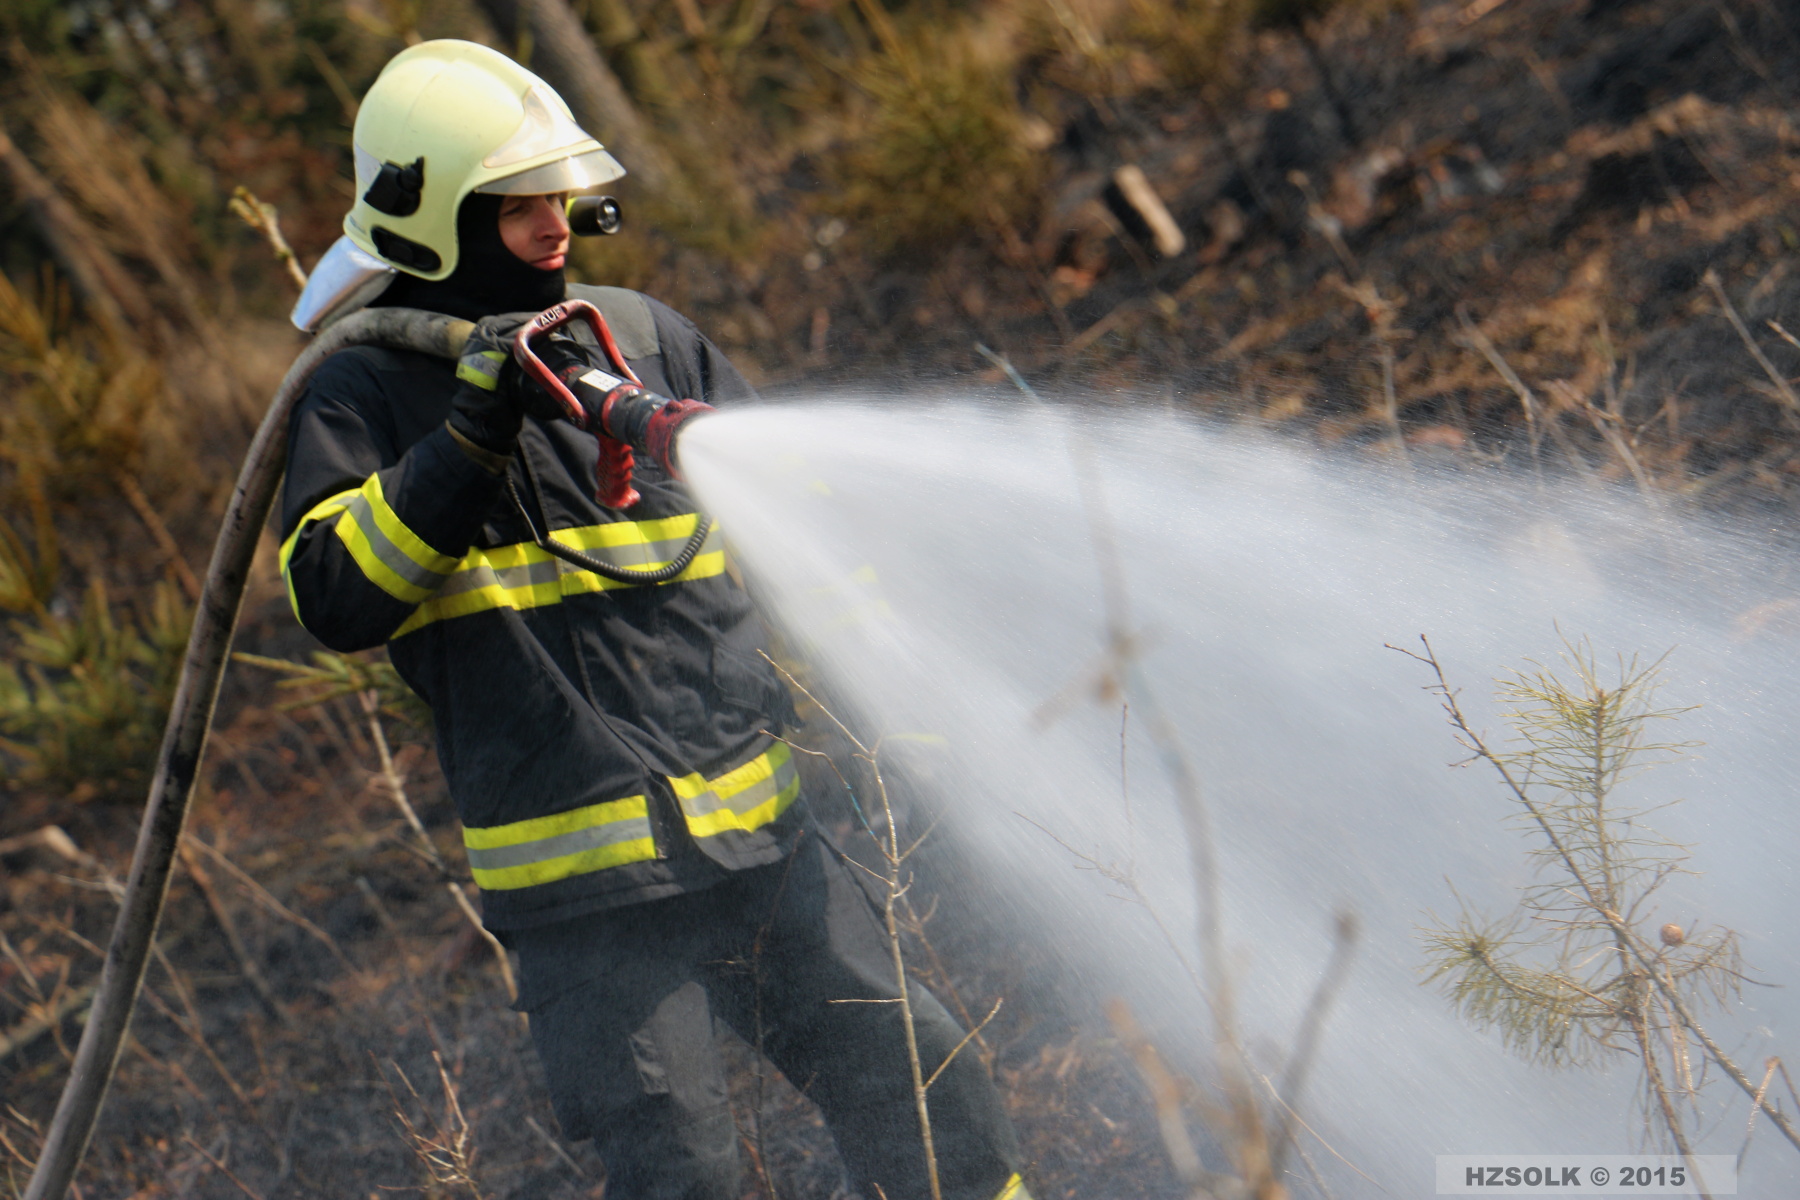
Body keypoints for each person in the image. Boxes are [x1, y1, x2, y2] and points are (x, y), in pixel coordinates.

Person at [279, 39, 1028, 1200]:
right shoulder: (364, 390)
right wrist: (459, 447)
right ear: (433, 215)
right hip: (589, 907)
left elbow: (809, 537)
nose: (556, 220)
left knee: (931, 1103)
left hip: (767, 846)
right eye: (516, 200)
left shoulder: (646, 334)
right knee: (685, 1176)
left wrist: (901, 731)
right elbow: (337, 595)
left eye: (559, 191)